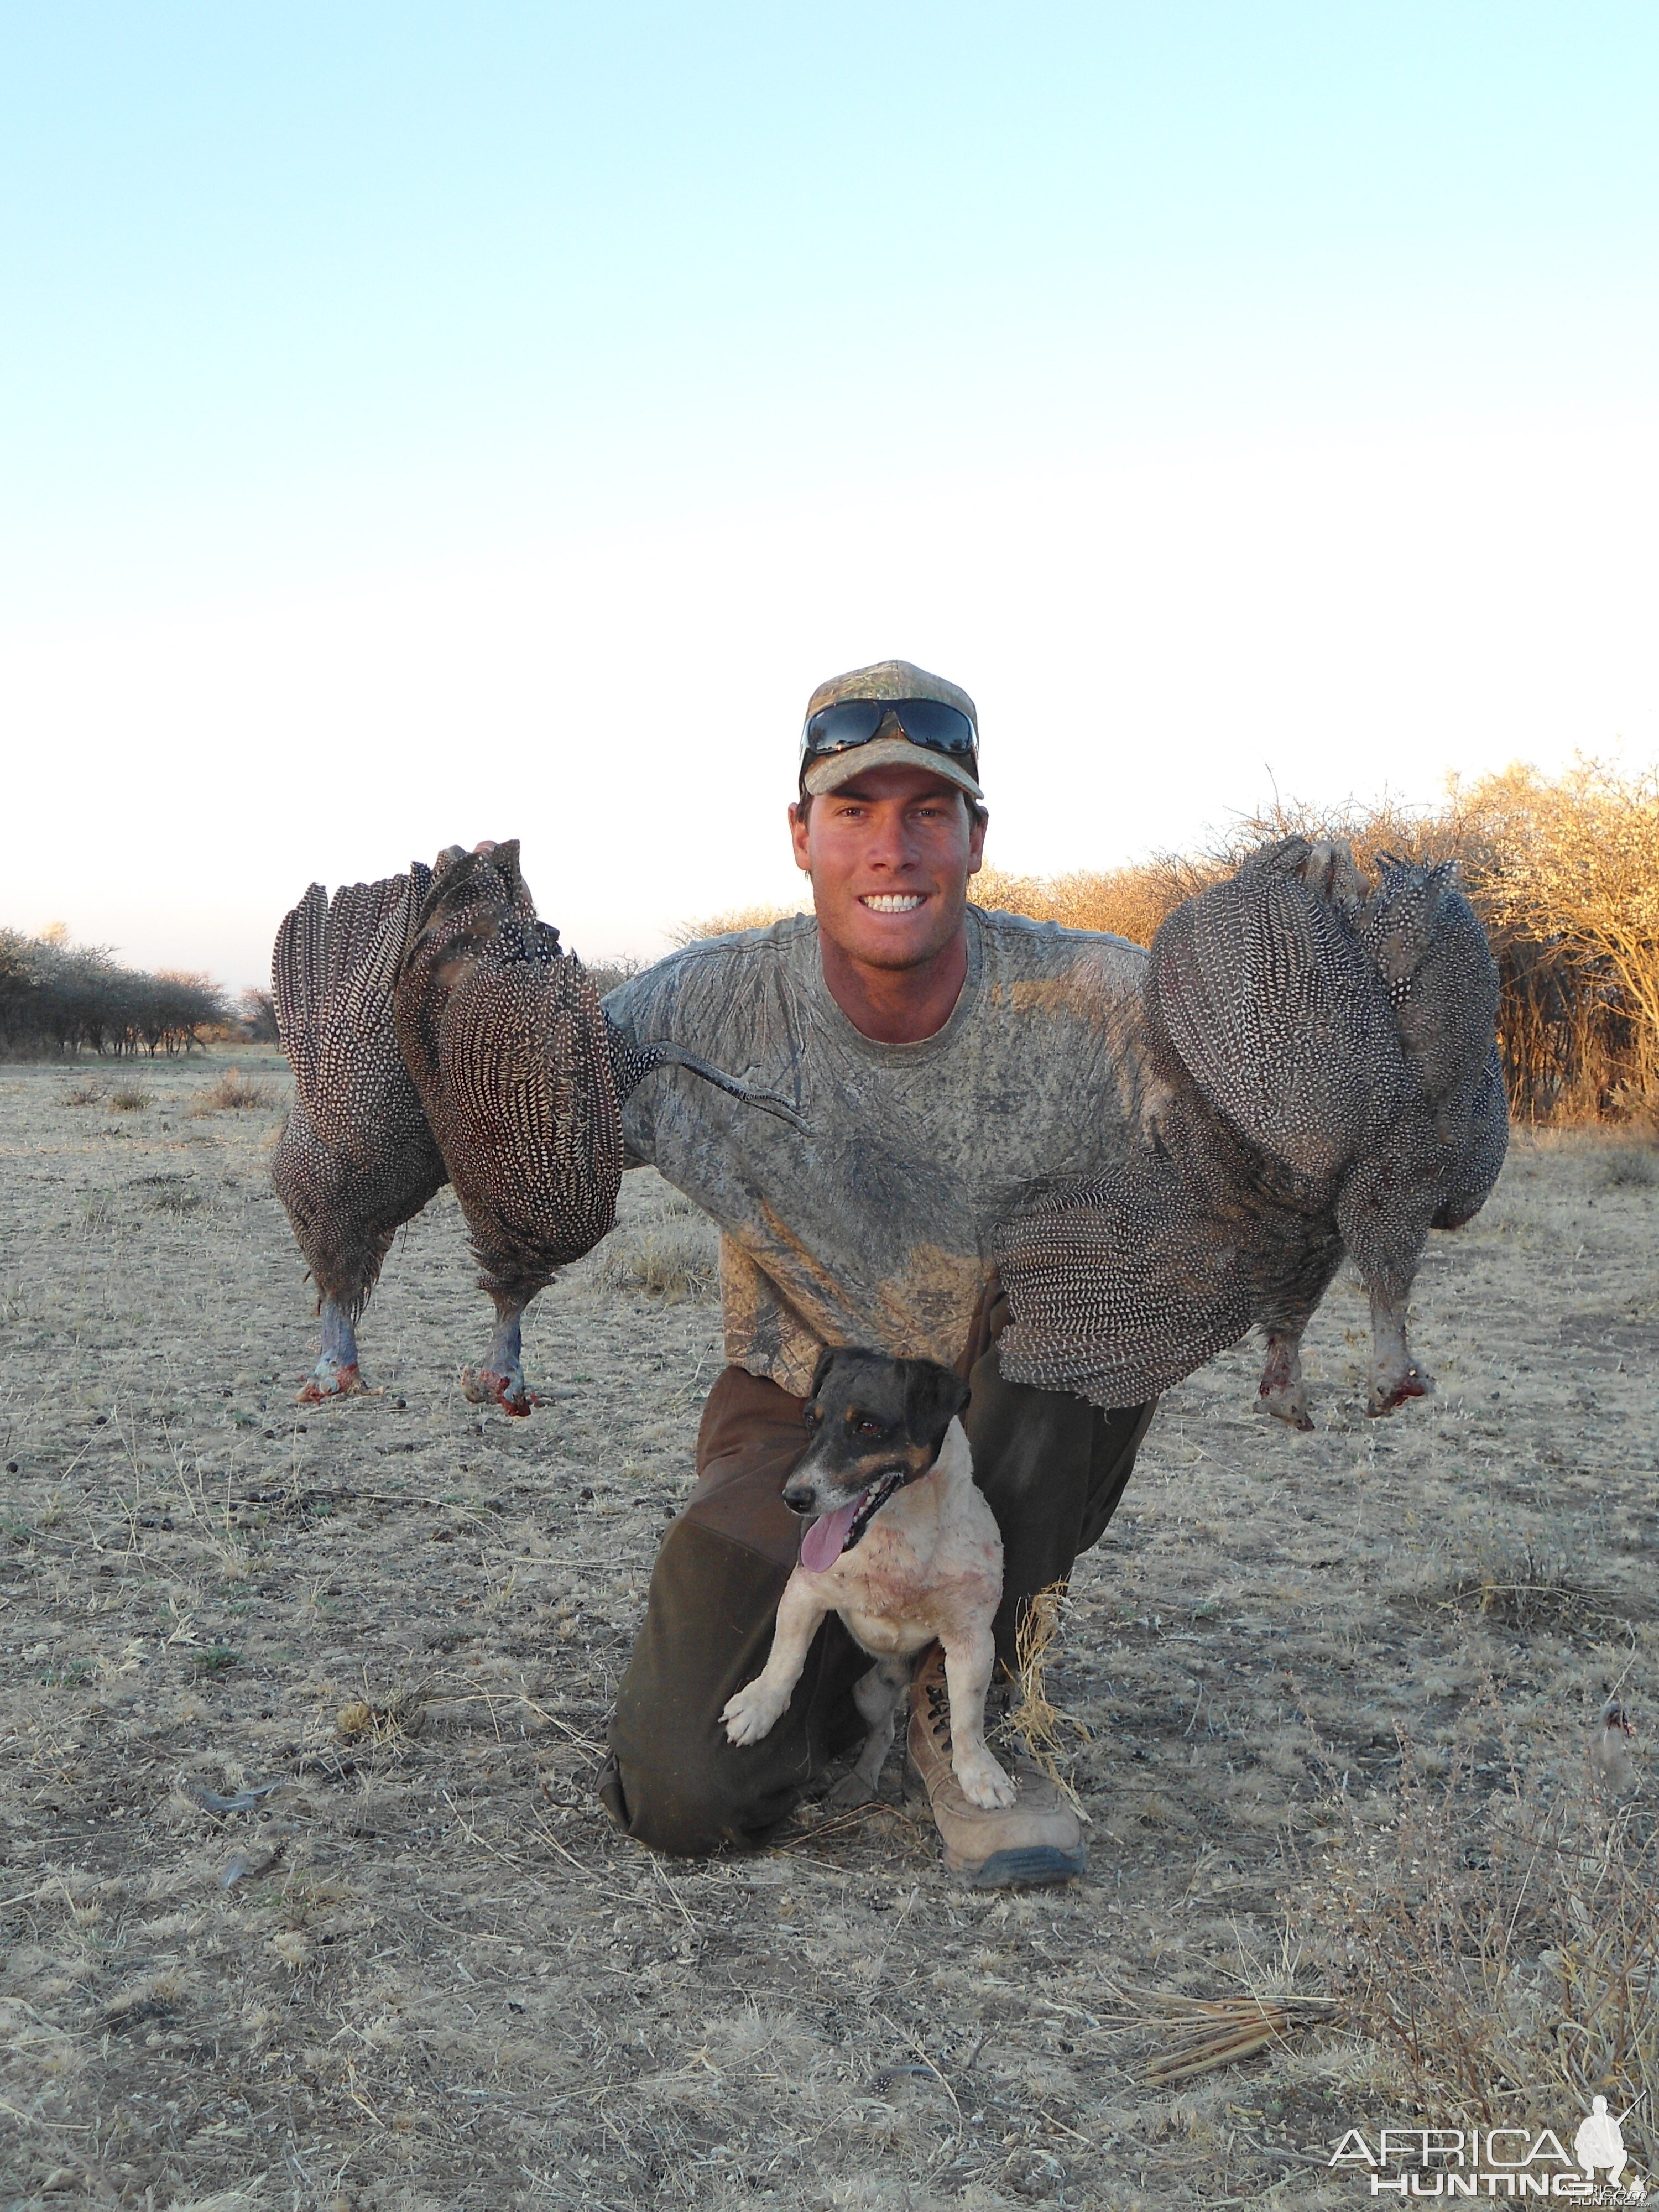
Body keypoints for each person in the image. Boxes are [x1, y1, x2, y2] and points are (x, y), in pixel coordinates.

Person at [597, 659, 1157, 1886]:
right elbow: (542, 1114)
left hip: (1006, 1410)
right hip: (802, 1408)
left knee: (1114, 1296)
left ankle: (958, 1704)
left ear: (977, 838)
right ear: (800, 836)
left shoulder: (1103, 998)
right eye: (852, 810)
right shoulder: (699, 1005)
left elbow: (1259, 1131)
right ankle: (853, 1654)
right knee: (687, 1789)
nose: (891, 846)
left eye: (928, 811)